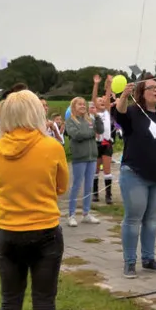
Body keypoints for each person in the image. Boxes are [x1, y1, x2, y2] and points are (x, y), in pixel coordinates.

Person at [0, 89, 69, 310]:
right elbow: (61, 187)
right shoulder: (52, 147)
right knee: (44, 303)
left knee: (10, 302)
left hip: (8, 231)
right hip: (45, 231)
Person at [115, 79, 156, 279]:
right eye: (151, 88)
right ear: (141, 93)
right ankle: (129, 262)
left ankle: (148, 259)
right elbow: (118, 115)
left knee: (151, 221)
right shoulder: (133, 113)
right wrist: (123, 96)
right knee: (133, 219)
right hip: (135, 175)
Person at [65, 97, 103, 227]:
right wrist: (91, 133)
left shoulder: (90, 119)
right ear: (73, 107)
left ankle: (86, 213)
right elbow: (76, 135)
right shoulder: (70, 121)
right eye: (79, 104)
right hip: (79, 158)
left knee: (89, 186)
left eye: (84, 104)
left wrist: (97, 117)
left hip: (92, 157)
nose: (82, 106)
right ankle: (71, 215)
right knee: (76, 185)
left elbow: (100, 130)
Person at [91, 75, 116, 204]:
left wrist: (109, 83)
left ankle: (108, 195)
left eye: (103, 100)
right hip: (96, 144)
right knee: (95, 171)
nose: (101, 101)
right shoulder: (94, 113)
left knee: (107, 170)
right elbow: (94, 97)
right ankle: (95, 193)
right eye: (99, 100)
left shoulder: (106, 111)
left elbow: (107, 96)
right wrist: (96, 84)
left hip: (106, 143)